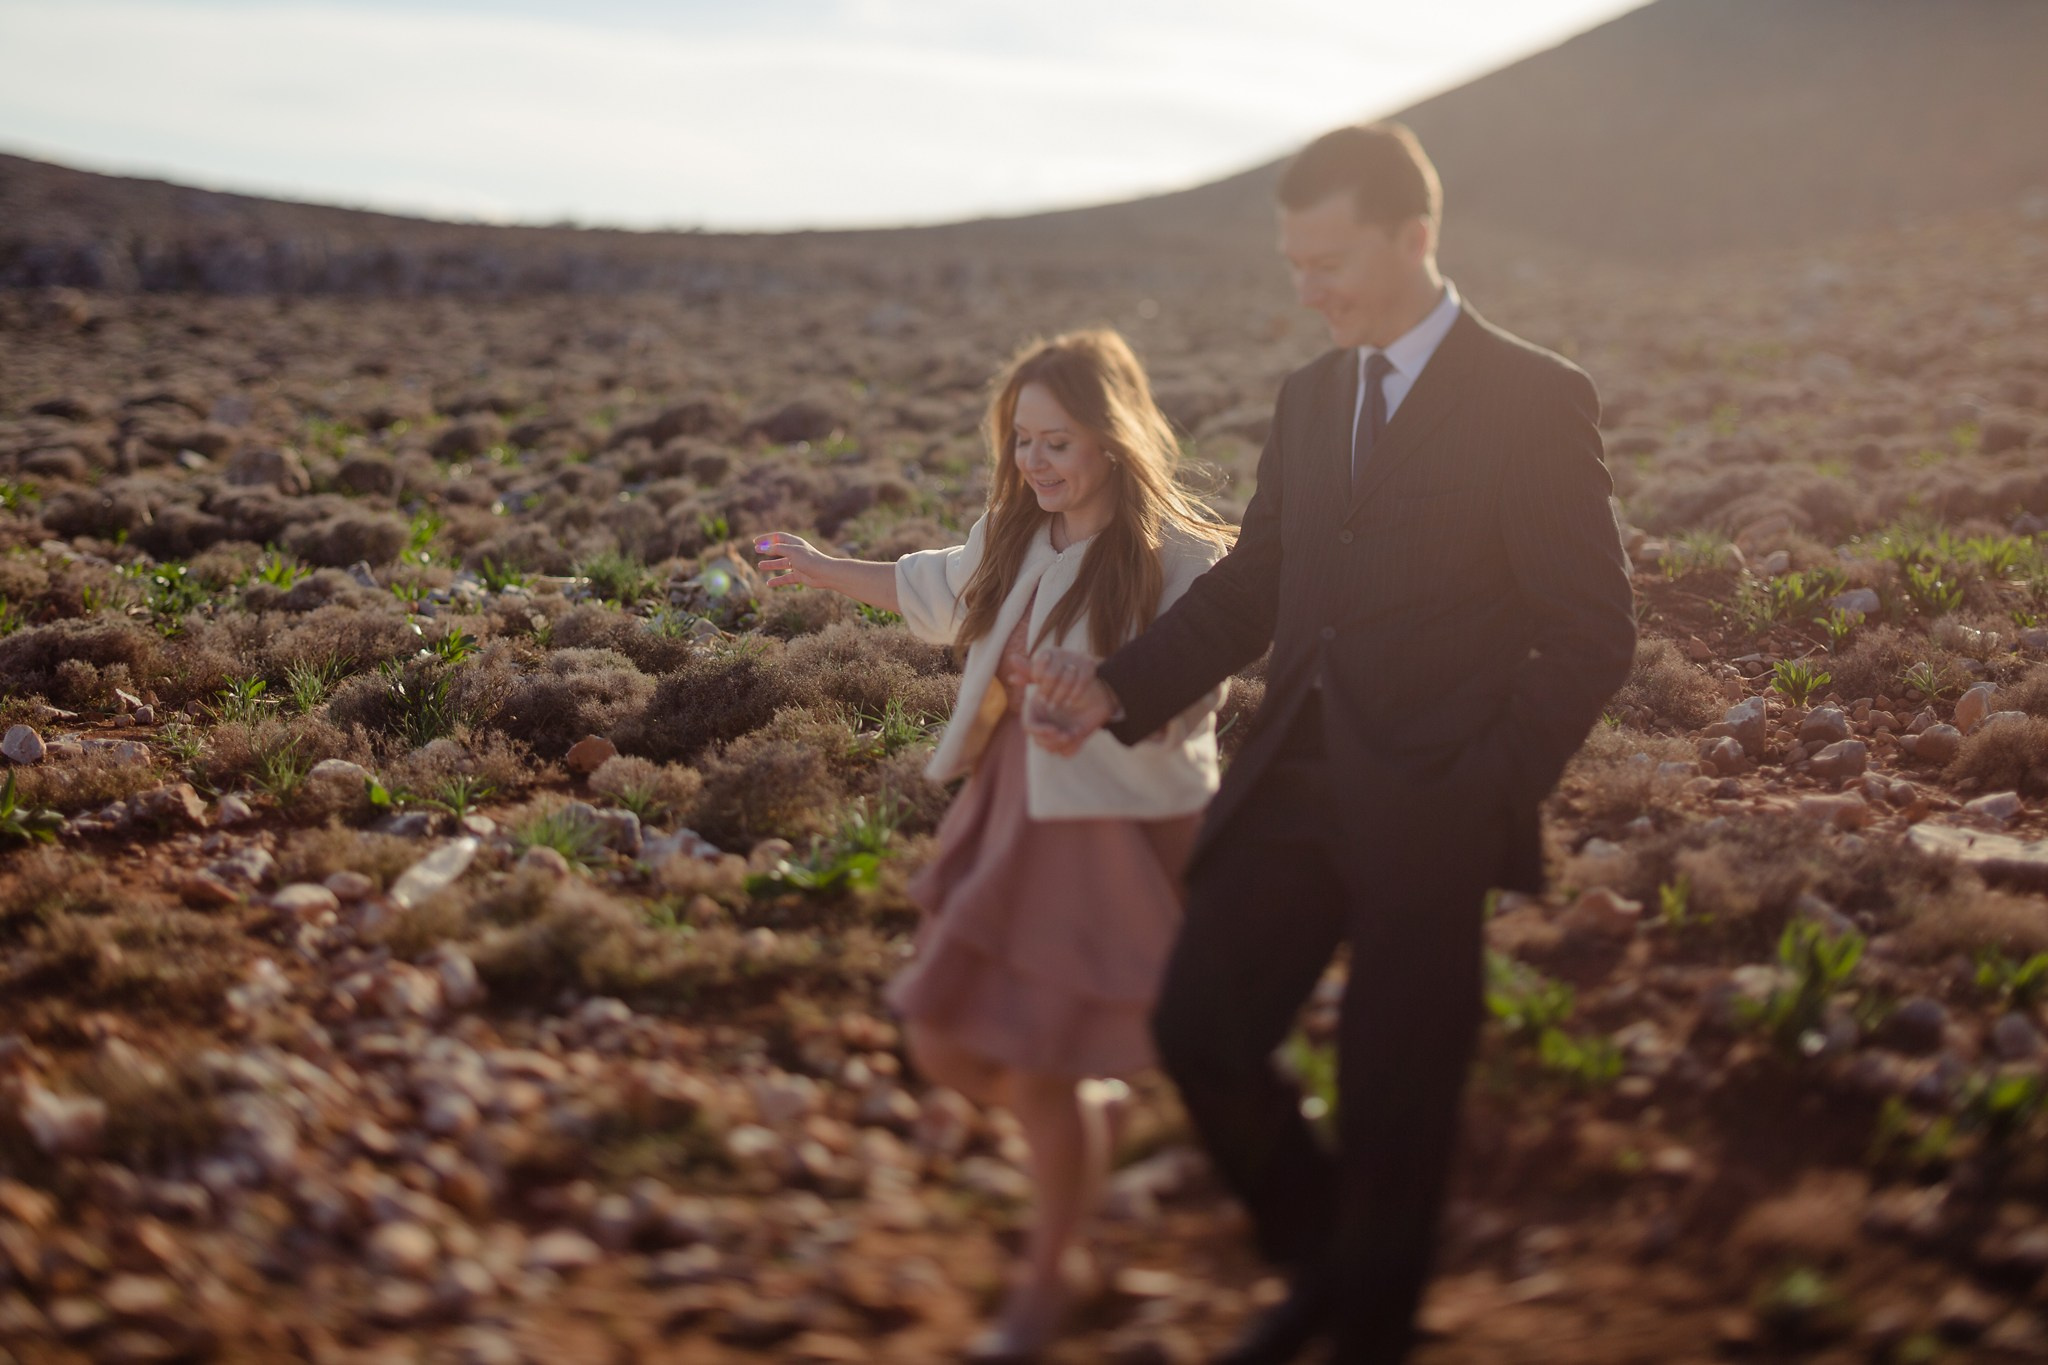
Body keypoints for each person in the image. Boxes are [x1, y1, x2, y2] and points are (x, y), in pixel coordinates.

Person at [1026, 123, 1637, 1363]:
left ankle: (1365, 1329)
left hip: (1435, 801)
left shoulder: (1531, 395)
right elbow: (1256, 586)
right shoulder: (1309, 398)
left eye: (1328, 262)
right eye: (1293, 265)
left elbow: (1590, 632)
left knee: (1392, 1098)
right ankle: (1326, 1268)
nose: (1307, 290)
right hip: (1293, 782)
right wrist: (1114, 688)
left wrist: (1490, 789)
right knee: (1200, 1028)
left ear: (1414, 237)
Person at [754, 328, 1234, 1360]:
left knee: (1040, 1063)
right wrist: (818, 568)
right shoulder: (1017, 536)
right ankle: (1089, 1138)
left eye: (1058, 441)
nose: (1035, 462)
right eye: (1022, 440)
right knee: (944, 1041)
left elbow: (1195, 698)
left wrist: (1107, 701)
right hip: (1014, 804)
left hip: (1109, 823)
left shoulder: (1180, 560)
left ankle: (1051, 1273)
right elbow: (932, 592)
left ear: (1112, 436)